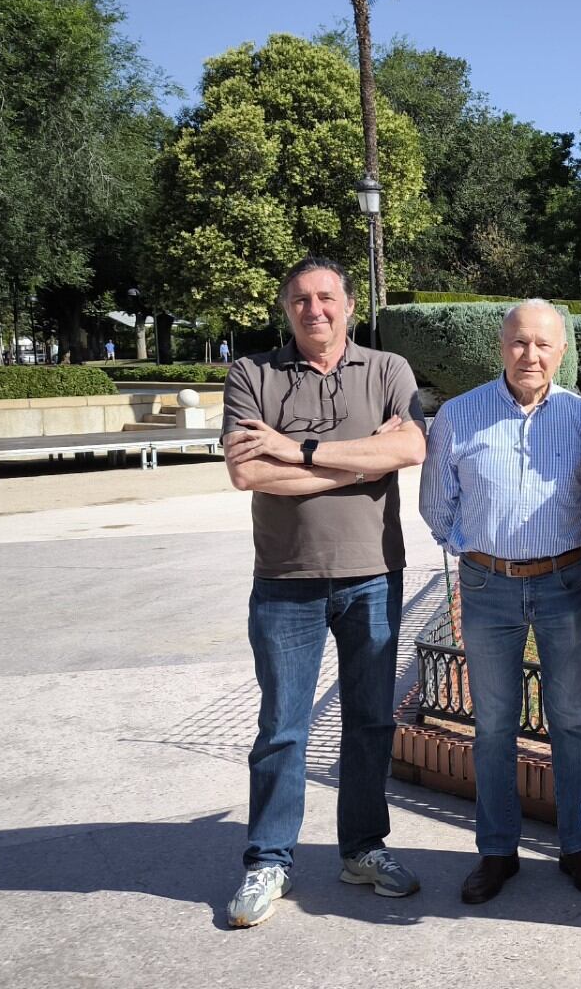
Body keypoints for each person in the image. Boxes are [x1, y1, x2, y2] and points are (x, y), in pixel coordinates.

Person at [219, 256, 428, 928]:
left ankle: (363, 849)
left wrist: (298, 452)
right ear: (286, 309)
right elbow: (249, 476)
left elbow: (411, 449)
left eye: (327, 297)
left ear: (348, 303)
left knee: (369, 723)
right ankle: (268, 861)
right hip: (286, 580)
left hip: (373, 574)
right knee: (283, 728)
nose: (316, 309)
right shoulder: (251, 374)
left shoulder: (388, 369)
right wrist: (359, 457)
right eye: (301, 300)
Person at [418, 299, 581, 905]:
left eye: (544, 345)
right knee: (495, 723)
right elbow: (435, 503)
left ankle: (577, 843)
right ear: (502, 347)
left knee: (571, 719)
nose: (531, 355)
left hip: (563, 582)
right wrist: (475, 550)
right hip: (487, 586)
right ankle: (496, 850)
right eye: (520, 343)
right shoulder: (459, 414)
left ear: (562, 351)